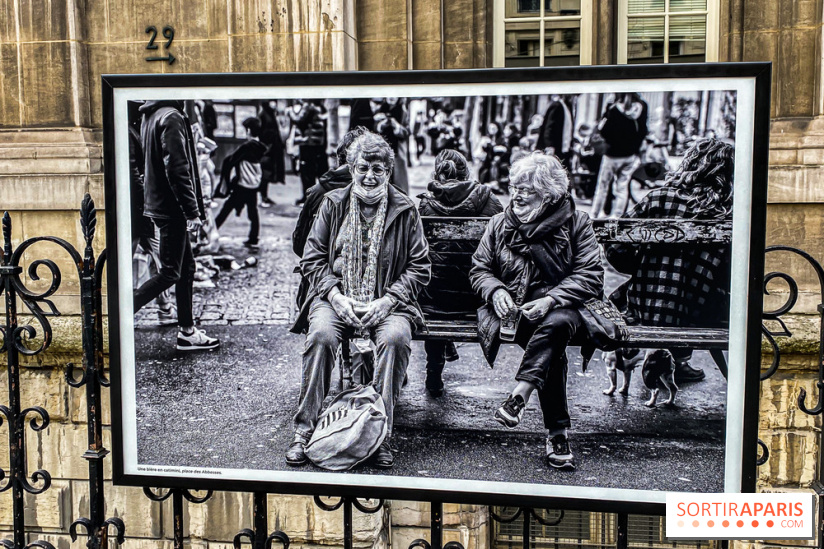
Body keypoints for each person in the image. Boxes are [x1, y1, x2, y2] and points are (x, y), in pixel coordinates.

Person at [286, 131, 431, 469]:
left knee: (395, 339)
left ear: (388, 172)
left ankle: (380, 434)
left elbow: (420, 265)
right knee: (321, 336)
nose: (370, 176)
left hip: (388, 301)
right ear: (351, 168)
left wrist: (389, 300)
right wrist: (335, 296)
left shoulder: (405, 209)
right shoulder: (333, 203)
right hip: (336, 296)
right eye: (363, 167)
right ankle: (304, 431)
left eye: (378, 169)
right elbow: (312, 258)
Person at [469, 152, 603, 470]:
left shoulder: (577, 223)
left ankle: (521, 394)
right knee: (552, 346)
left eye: (526, 189)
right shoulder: (500, 224)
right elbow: (479, 269)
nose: (516, 194)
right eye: (514, 186)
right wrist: (496, 290)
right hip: (514, 312)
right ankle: (557, 434)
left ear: (548, 194)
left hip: (563, 308)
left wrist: (551, 299)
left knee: (556, 326)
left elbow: (590, 275)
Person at [605, 138, 735, 383]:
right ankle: (678, 361)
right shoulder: (728, 211)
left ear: (691, 164)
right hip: (697, 312)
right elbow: (729, 274)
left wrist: (642, 267)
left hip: (644, 303)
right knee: (698, 293)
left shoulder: (658, 198)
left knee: (636, 292)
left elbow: (615, 248)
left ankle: (655, 356)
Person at [134, 100, 219, 351]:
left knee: (187, 267)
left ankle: (187, 331)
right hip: (170, 207)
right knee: (171, 271)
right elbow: (177, 168)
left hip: (161, 204)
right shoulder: (170, 117)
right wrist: (191, 211)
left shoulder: (152, 115)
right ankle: (120, 311)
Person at [417, 149, 503, 397]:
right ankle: (445, 352)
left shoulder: (425, 206)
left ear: (437, 173)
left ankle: (434, 372)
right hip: (476, 297)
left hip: (433, 303)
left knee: (434, 287)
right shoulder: (491, 202)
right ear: (468, 173)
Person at [590, 93, 648, 219]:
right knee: (622, 188)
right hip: (629, 155)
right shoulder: (642, 107)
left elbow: (604, 130)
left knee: (602, 187)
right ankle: (617, 217)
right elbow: (643, 131)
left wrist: (607, 109)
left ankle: (594, 215)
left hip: (611, 155)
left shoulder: (614, 109)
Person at [214, 117, 268, 250]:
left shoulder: (246, 147)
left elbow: (230, 161)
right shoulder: (260, 147)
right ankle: (253, 238)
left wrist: (225, 183)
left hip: (243, 184)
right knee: (252, 211)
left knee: (226, 208)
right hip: (254, 184)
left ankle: (211, 232)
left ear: (248, 130)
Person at [294, 100, 329, 205]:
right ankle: (318, 197)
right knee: (319, 172)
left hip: (308, 144)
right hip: (319, 144)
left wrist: (291, 111)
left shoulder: (308, 106)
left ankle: (309, 199)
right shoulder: (321, 108)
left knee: (307, 173)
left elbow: (298, 120)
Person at [258, 101, 286, 208]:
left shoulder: (270, 114)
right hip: (267, 148)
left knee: (268, 172)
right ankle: (263, 196)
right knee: (265, 172)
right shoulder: (263, 115)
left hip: (272, 148)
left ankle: (264, 195)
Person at [536, 95, 573, 169]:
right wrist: (549, 146)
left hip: (562, 149)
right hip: (553, 149)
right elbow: (549, 128)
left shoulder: (568, 107)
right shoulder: (557, 106)